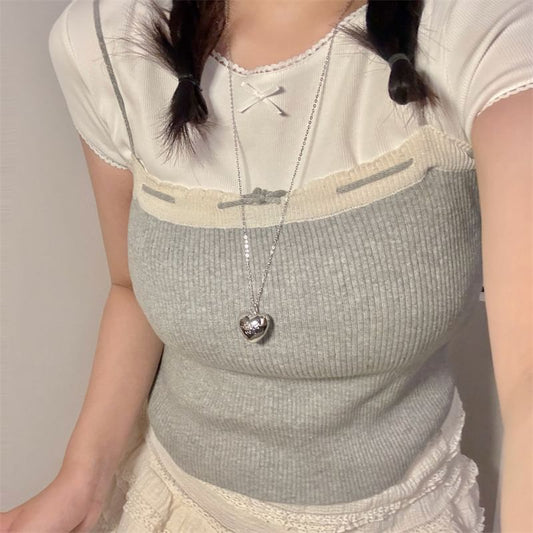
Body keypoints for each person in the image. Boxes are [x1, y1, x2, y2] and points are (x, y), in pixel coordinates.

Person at [2, 0, 532, 531]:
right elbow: (129, 287)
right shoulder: (106, 39)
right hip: (175, 507)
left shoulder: (481, 28)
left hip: (399, 515)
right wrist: (83, 480)